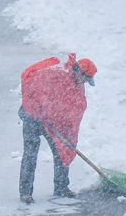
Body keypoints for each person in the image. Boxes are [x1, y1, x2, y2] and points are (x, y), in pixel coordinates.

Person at [17, 53, 97, 203]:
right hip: (32, 116)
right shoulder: (56, 73)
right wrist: (39, 111)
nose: (85, 82)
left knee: (62, 152)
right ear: (80, 71)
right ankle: (25, 192)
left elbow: (73, 108)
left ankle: (61, 187)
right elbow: (32, 85)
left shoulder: (77, 86)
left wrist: (66, 133)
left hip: (52, 122)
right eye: (85, 78)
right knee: (30, 153)